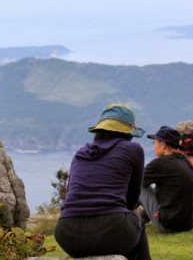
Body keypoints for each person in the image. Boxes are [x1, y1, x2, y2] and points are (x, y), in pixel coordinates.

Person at [54, 104, 150, 260]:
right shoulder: (133, 149)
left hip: (67, 234)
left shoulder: (80, 153)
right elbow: (132, 199)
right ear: (129, 132)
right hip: (113, 231)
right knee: (136, 221)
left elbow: (69, 196)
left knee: (122, 223)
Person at [139, 126, 193, 233]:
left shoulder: (160, 164)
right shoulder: (185, 160)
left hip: (169, 224)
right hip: (189, 223)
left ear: (163, 144)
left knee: (137, 183)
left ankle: (125, 217)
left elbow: (133, 182)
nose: (153, 148)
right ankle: (143, 216)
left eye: (154, 143)